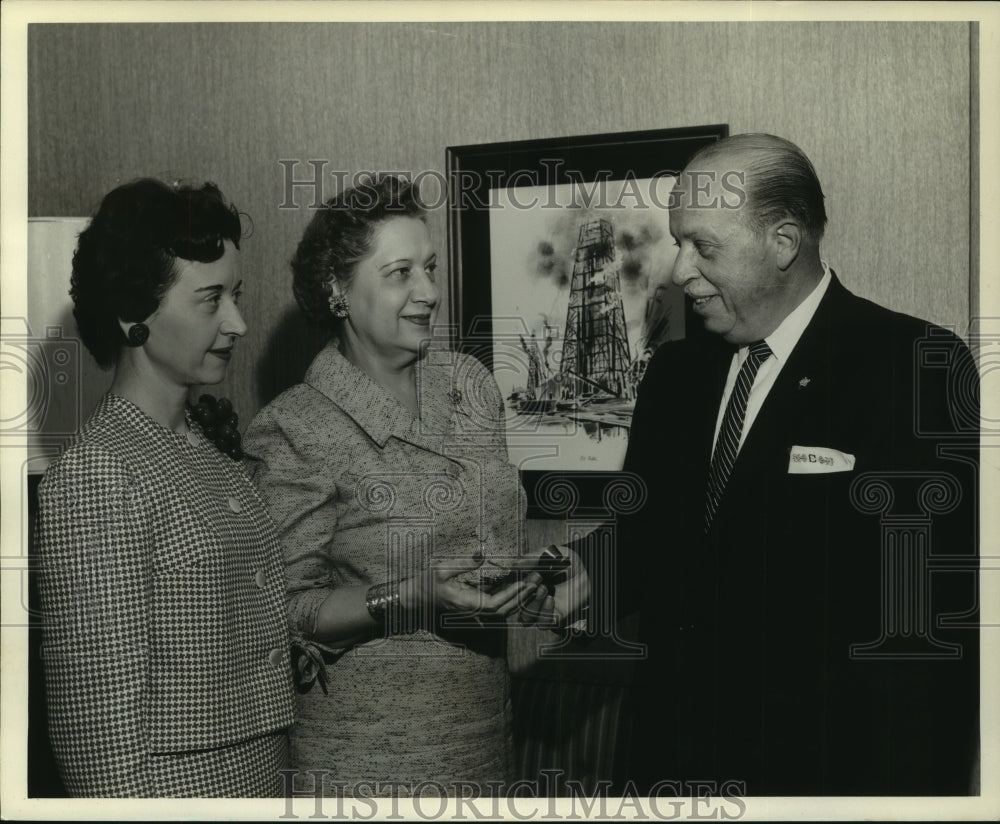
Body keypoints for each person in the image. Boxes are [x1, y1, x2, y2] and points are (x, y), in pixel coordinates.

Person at [601, 133, 979, 795]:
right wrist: (568, 573)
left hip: (828, 775)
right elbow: (650, 542)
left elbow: (931, 635)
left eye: (704, 247)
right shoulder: (675, 372)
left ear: (783, 241)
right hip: (674, 768)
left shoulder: (913, 365)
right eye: (677, 242)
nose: (679, 271)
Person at [243, 175, 588, 797]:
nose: (430, 292)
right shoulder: (295, 427)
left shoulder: (470, 384)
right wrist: (411, 595)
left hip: (484, 737)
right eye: (400, 272)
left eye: (429, 267)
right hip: (367, 764)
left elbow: (490, 539)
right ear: (337, 290)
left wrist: (532, 577)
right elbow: (285, 612)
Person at [35, 179, 295, 797]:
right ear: (133, 316)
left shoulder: (209, 449)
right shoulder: (97, 475)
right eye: (210, 301)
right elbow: (98, 749)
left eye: (236, 294)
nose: (238, 322)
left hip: (265, 781)